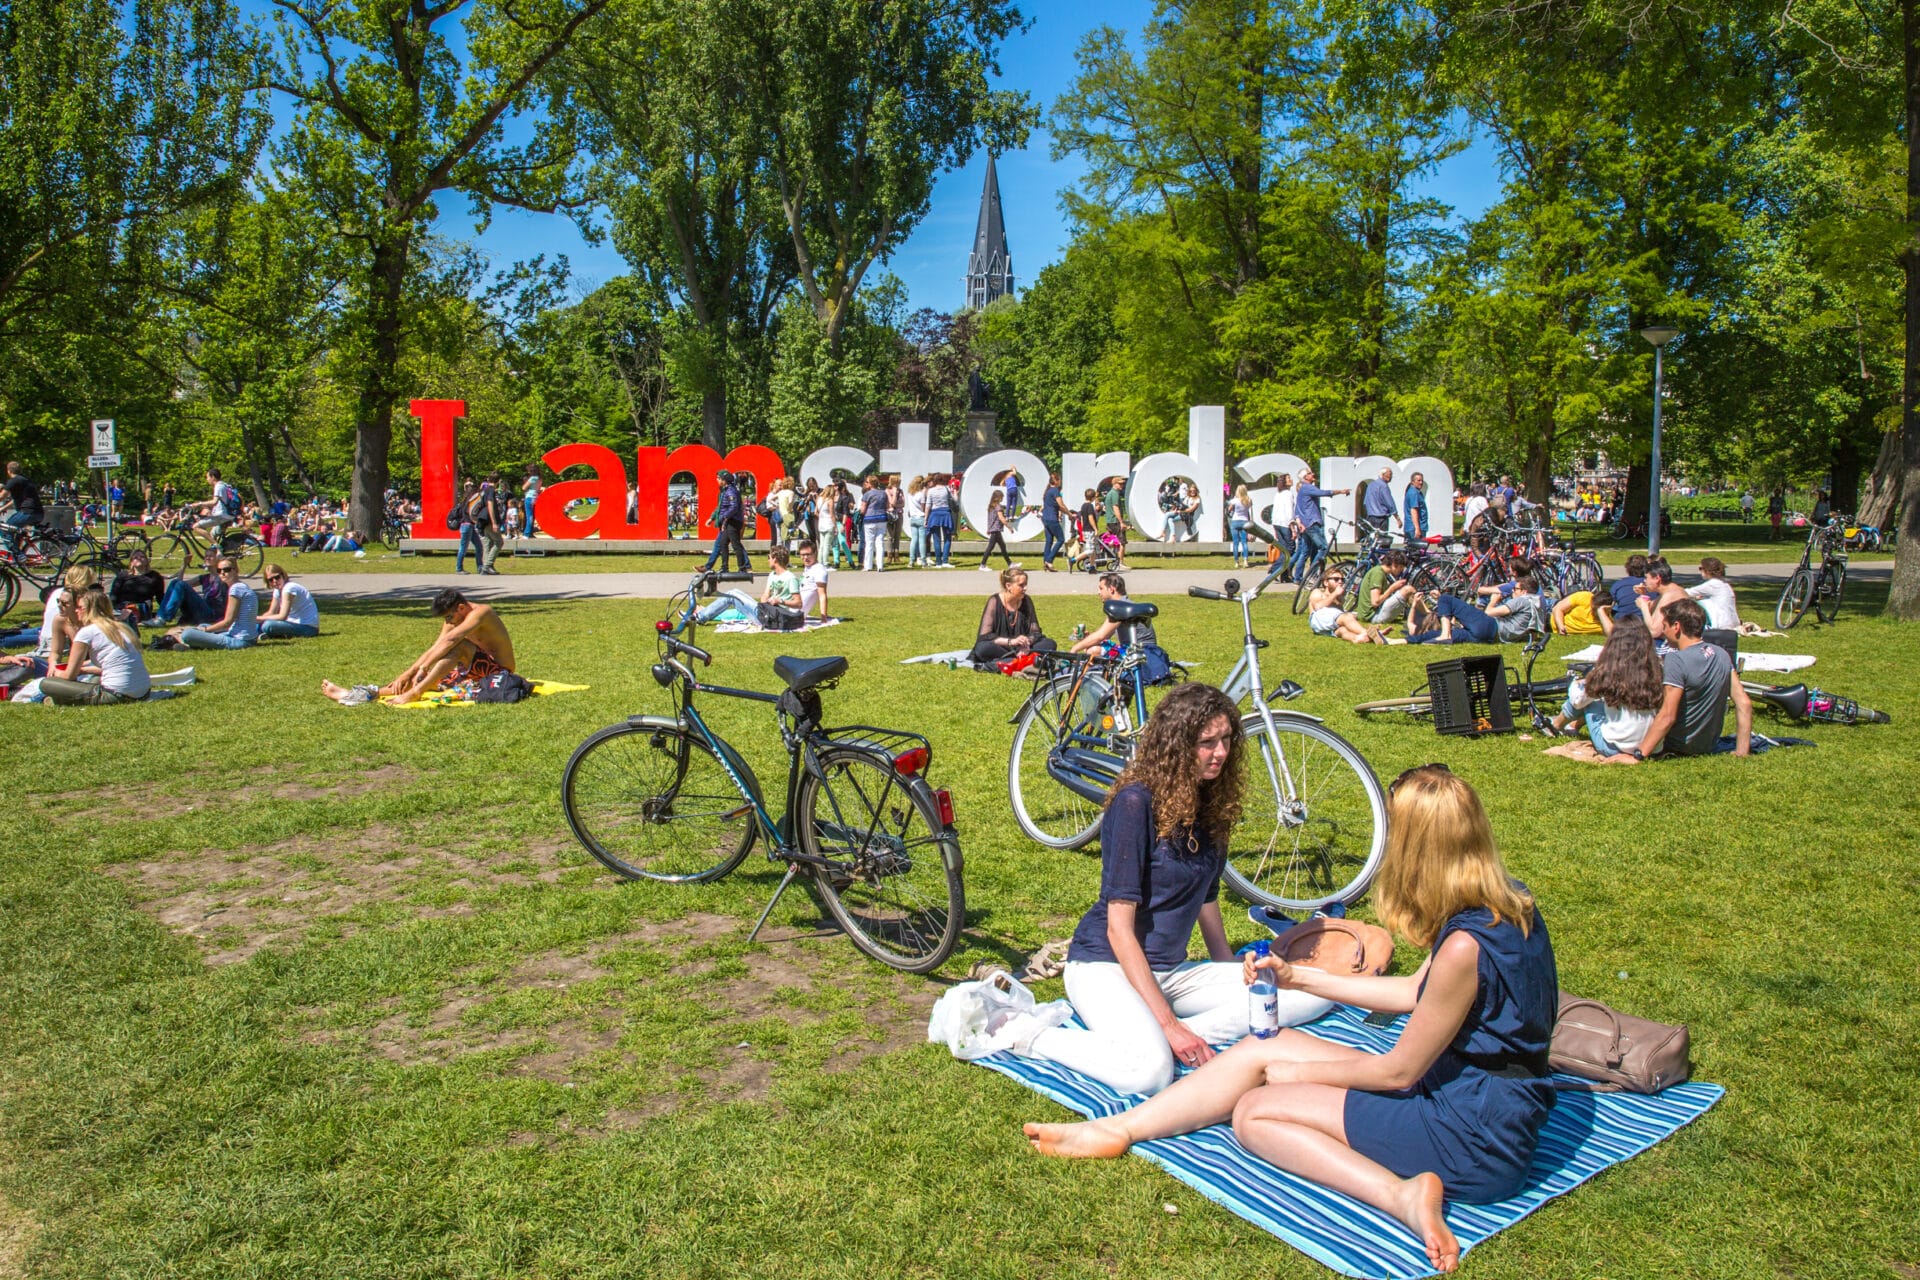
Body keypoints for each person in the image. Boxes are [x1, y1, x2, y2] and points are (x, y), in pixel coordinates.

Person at [1025, 765, 1558, 1276]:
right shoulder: (1507, 902)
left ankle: (1401, 1194)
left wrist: (1300, 1075)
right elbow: (1411, 992)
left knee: (1254, 1113)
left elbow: (1397, 1071)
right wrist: (1297, 977)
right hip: (1466, 1094)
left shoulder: (1464, 946)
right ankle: (1117, 1128)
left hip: (1473, 1135)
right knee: (1266, 1044)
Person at [1007, 683, 1331, 1097]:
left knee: (1312, 988)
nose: (1220, 753)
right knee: (1149, 1073)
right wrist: (1169, 1025)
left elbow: (1206, 899)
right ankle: (1031, 1033)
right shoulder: (1134, 803)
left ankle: (1168, 1031)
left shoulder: (1212, 800)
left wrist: (1231, 969)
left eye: (1226, 740)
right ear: (1177, 745)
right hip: (1106, 967)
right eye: (1206, 743)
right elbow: (1118, 929)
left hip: (1172, 974)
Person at [322, 589, 515, 706]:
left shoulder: (481, 613)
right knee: (419, 678)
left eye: (449, 617)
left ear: (461, 608)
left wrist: (423, 668)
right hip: (473, 672)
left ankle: (416, 693)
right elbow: (437, 646)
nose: (448, 622)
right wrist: (410, 672)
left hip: (499, 673)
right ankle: (360, 694)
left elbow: (451, 641)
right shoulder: (456, 617)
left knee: (459, 646)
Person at [1618, 598, 1753, 760]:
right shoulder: (1721, 654)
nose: (1663, 632)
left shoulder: (1676, 660)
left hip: (1676, 745)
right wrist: (1741, 752)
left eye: (1665, 626)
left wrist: (1638, 755)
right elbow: (1744, 703)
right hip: (1707, 745)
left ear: (1676, 627)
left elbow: (1668, 715)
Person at [1547, 616, 1663, 757]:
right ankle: (1567, 726)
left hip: (1614, 748)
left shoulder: (1610, 670)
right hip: (1652, 748)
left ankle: (1555, 725)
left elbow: (1578, 701)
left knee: (1589, 698)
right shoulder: (1657, 669)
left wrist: (1575, 684)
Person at [39, 587, 153, 705]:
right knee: (94, 680)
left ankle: (59, 700)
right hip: (143, 693)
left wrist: (56, 673)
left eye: (80, 607)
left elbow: (69, 675)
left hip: (116, 695)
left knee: (46, 684)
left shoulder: (87, 632)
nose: (77, 610)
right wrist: (81, 670)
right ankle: (60, 700)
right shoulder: (121, 628)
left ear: (90, 610)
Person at [1406, 571, 1546, 645]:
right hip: (1489, 637)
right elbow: (1533, 635)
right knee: (1451, 634)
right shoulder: (1536, 606)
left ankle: (1444, 636)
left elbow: (1489, 612)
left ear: (1524, 592)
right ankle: (1402, 641)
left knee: (1446, 599)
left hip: (1490, 626)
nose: (1512, 591)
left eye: (1515, 589)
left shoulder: (1523, 600)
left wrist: (1493, 601)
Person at [162, 559, 258, 650]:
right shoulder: (242, 586)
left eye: (227, 569)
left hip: (240, 640)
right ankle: (190, 645)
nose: (222, 573)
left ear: (236, 570)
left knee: (187, 634)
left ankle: (187, 644)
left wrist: (204, 630)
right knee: (202, 625)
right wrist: (203, 628)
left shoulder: (236, 589)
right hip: (243, 636)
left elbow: (227, 622)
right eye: (219, 571)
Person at [970, 567, 1056, 664]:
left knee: (1050, 643)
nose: (1025, 588)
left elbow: (1035, 632)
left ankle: (1013, 659)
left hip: (1023, 647)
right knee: (982, 648)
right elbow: (984, 636)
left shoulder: (1027, 600)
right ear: (1008, 586)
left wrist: (1027, 642)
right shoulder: (994, 601)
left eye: (1026, 584)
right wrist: (1011, 642)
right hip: (1002, 646)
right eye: (1021, 585)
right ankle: (1020, 658)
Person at [1070, 573, 1156, 654]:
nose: (1098, 592)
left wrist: (1074, 648)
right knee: (1092, 647)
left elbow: (1101, 636)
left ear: (1111, 589)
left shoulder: (1121, 608)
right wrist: (1087, 638)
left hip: (1141, 653)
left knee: (1094, 650)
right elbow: (1103, 635)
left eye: (1101, 588)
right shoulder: (1124, 605)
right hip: (1139, 650)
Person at [1292, 468, 1349, 577]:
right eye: (1309, 473)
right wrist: (1341, 491)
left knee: (1305, 552)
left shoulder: (1302, 490)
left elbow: (1297, 510)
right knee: (1323, 548)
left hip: (1306, 524)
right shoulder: (1308, 487)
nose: (1313, 474)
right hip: (1312, 523)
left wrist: (1299, 523)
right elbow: (1324, 493)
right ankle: (1312, 574)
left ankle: (1298, 578)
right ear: (1305, 477)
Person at [1307, 569, 1389, 645]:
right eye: (1336, 579)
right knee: (1347, 616)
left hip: (1324, 628)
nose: (1340, 582)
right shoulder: (1318, 592)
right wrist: (1335, 594)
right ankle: (1370, 633)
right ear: (1326, 582)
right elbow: (1318, 606)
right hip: (1318, 620)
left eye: (1342, 579)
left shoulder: (1339, 597)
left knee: (1342, 630)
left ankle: (1357, 638)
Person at [701, 469, 752, 574]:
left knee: (735, 545)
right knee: (723, 543)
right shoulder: (724, 491)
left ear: (724, 480)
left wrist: (724, 517)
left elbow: (733, 507)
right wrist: (713, 518)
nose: (717, 480)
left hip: (733, 521)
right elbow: (720, 507)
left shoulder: (731, 491)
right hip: (727, 521)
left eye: (719, 478)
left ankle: (742, 568)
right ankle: (724, 567)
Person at [156, 552, 228, 626]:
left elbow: (182, 585)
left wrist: (221, 560)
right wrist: (184, 565)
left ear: (218, 559)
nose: (207, 558)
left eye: (211, 556)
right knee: (175, 582)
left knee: (180, 584)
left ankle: (163, 618)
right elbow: (178, 587)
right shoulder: (204, 577)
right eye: (206, 556)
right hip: (203, 610)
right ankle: (160, 617)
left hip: (212, 614)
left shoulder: (223, 577)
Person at [258, 564, 321, 638]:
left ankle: (269, 633)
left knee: (268, 625)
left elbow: (282, 616)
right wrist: (254, 621)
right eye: (271, 580)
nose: (275, 581)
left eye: (277, 577)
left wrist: (259, 619)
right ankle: (263, 633)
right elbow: (271, 612)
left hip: (308, 628)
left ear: (283, 575)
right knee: (259, 624)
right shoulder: (277, 590)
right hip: (291, 624)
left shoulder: (289, 588)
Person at [1358, 549, 1416, 628]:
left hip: (1372, 614)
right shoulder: (1378, 573)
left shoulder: (1380, 572)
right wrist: (1392, 588)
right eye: (1401, 567)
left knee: (1407, 590)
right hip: (1373, 616)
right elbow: (1375, 602)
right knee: (1408, 589)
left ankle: (1418, 615)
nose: (1402, 570)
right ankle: (1426, 614)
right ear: (1394, 564)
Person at [110, 550, 166, 625]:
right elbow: (114, 593)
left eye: (142, 557)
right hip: (122, 606)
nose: (139, 558)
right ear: (131, 562)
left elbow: (160, 597)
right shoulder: (123, 575)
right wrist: (113, 607)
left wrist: (164, 612)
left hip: (141, 607)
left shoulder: (154, 576)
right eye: (135, 557)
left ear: (147, 561)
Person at [1686, 556, 1741, 632]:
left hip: (1721, 625)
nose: (1700, 571)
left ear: (1707, 570)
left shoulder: (1712, 584)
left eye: (1701, 568)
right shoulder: (1724, 584)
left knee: (1698, 603)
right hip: (1733, 622)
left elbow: (1687, 592)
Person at [192, 468, 243, 536]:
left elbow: (214, 502)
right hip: (229, 514)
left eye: (207, 477)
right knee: (212, 534)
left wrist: (199, 504)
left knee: (196, 526)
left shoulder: (218, 486)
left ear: (213, 477)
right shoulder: (225, 485)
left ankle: (214, 543)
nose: (207, 479)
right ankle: (216, 542)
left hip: (222, 515)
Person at [474, 474, 506, 574]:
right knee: (499, 542)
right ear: (498, 481)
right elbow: (490, 505)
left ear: (488, 479)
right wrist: (494, 522)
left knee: (488, 543)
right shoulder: (491, 490)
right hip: (489, 519)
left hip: (483, 518)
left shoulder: (485, 490)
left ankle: (486, 568)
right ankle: (487, 565)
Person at [796, 540, 832, 621]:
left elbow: (822, 595)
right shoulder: (808, 568)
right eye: (802, 555)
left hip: (795, 613)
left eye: (808, 554)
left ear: (815, 553)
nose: (805, 557)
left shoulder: (819, 570)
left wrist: (823, 618)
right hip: (792, 607)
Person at [1360, 467, 1398, 542]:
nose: (1391, 477)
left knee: (1371, 540)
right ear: (1383, 475)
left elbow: (1365, 502)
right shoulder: (1383, 486)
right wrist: (1397, 518)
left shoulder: (1371, 485)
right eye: (1389, 474)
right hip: (1381, 519)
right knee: (1381, 541)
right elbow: (1390, 503)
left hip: (1370, 518)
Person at [860, 474, 889, 572]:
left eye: (867, 482)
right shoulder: (883, 493)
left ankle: (868, 566)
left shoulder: (867, 494)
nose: (866, 484)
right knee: (879, 542)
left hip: (870, 519)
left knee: (869, 543)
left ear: (871, 484)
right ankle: (880, 566)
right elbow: (887, 506)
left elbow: (862, 510)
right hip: (882, 519)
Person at [1099, 477, 1130, 569]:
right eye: (1120, 483)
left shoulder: (1110, 493)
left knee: (1113, 542)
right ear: (1114, 484)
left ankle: (1115, 561)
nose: (1122, 485)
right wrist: (1121, 522)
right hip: (1115, 521)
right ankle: (1120, 563)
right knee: (1121, 542)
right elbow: (1115, 508)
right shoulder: (1115, 494)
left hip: (1110, 520)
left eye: (1122, 483)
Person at [925, 474, 955, 567]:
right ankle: (945, 561)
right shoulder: (947, 489)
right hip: (945, 513)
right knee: (947, 538)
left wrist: (926, 519)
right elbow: (952, 500)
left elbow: (928, 505)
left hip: (935, 514)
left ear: (934, 481)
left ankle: (938, 562)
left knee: (936, 539)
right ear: (943, 480)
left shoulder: (931, 491)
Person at [978, 490, 1013, 570]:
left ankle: (1010, 564)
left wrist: (989, 528)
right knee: (990, 547)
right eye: (1002, 497)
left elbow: (990, 519)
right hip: (996, 530)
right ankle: (982, 565)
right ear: (998, 497)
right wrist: (1009, 527)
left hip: (994, 529)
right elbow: (1001, 518)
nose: (1002, 498)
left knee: (1002, 547)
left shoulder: (991, 506)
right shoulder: (998, 506)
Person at [1041, 472, 1068, 572]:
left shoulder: (1047, 491)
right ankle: (1049, 560)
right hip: (1052, 518)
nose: (1060, 481)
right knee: (1061, 539)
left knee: (1049, 541)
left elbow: (1055, 506)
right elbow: (1061, 505)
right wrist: (1070, 514)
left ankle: (1045, 562)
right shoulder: (1055, 491)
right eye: (1059, 479)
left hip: (1045, 518)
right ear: (1056, 481)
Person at [3, 461, 43, 530]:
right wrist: (2, 508)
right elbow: (14, 500)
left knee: (7, 528)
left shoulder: (14, 480)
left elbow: (2, 496)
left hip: (27, 512)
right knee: (17, 532)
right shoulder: (25, 479)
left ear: (9, 471)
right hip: (38, 513)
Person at [454, 480, 483, 574]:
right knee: (463, 548)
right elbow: (472, 513)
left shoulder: (465, 501)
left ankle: (480, 567)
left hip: (468, 526)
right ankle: (459, 568)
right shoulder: (469, 502)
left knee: (478, 546)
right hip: (467, 526)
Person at [1227, 484, 1254, 568]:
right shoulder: (1249, 500)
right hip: (1244, 522)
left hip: (1235, 521)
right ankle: (1245, 561)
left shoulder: (1235, 500)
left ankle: (1236, 562)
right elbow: (1250, 511)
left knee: (1235, 542)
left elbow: (1229, 509)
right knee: (1244, 542)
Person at [905, 475, 929, 566]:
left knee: (914, 540)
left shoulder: (910, 494)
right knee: (922, 541)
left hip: (913, 518)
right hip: (921, 517)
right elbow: (923, 508)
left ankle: (911, 561)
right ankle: (923, 561)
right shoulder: (921, 494)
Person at [1402, 471, 1428, 546]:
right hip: (1414, 528)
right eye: (1418, 480)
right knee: (1417, 550)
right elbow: (1414, 510)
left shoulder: (1415, 492)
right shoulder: (1414, 493)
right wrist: (1417, 529)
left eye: (1422, 480)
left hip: (1415, 527)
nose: (1421, 482)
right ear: (1413, 482)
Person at [522, 465, 543, 537]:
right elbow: (538, 488)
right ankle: (531, 532)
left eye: (529, 471)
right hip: (536, 497)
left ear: (531, 471)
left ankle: (526, 533)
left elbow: (524, 488)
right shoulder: (540, 478)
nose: (528, 472)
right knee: (533, 516)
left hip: (529, 497)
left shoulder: (532, 478)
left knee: (529, 516)